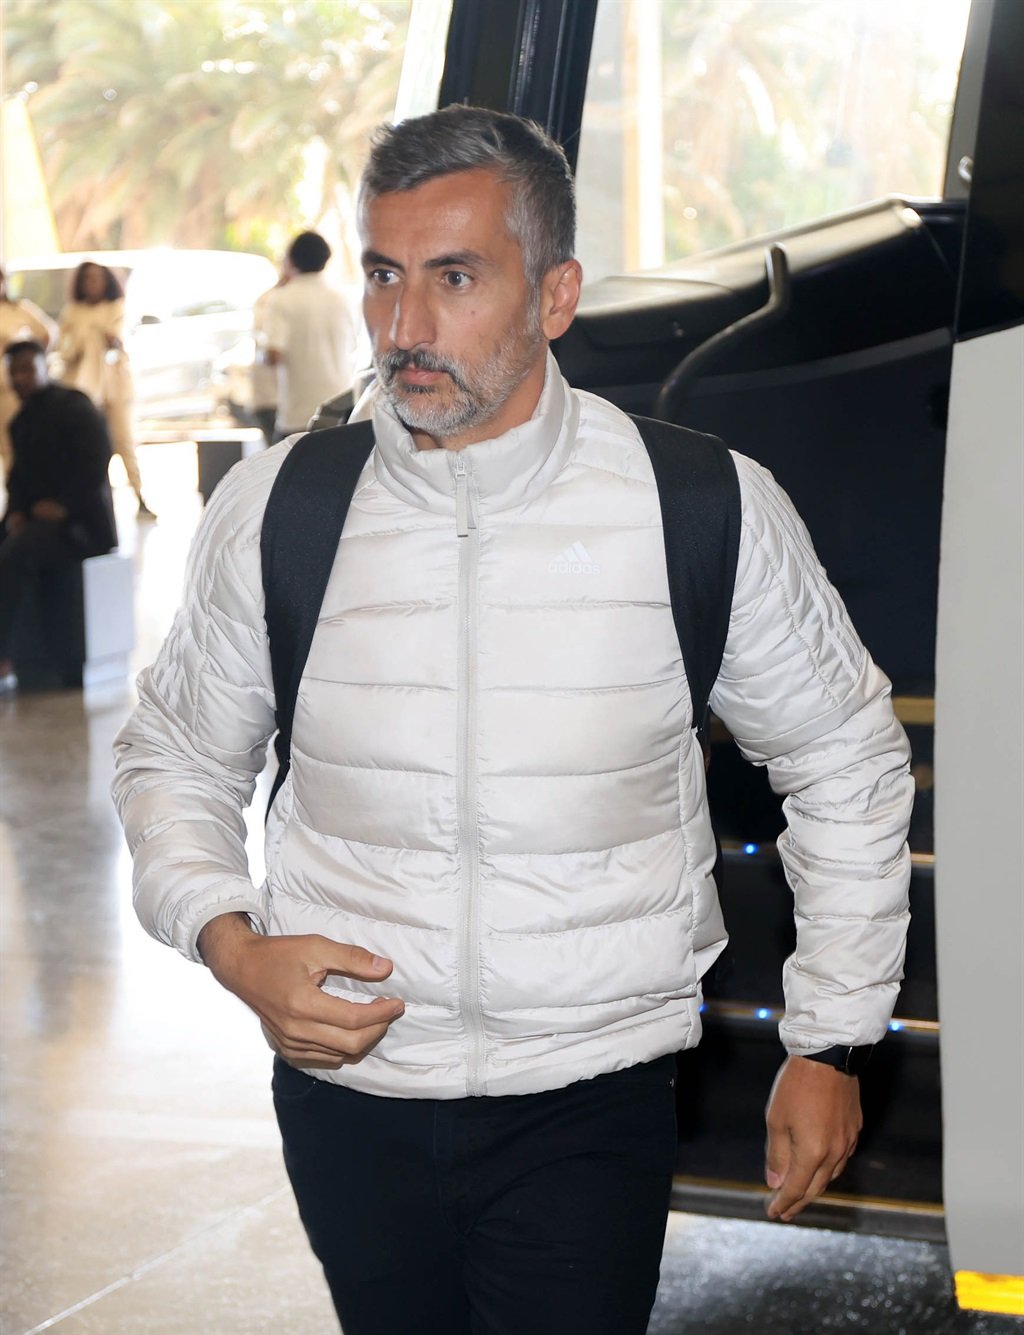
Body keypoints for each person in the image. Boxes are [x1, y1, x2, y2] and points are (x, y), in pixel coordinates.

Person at [111, 107, 914, 1335]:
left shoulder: (699, 505)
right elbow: (173, 752)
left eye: (455, 278)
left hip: (588, 1099)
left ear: (553, 296)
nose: (404, 328)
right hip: (347, 1094)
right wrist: (231, 943)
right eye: (384, 274)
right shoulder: (283, 504)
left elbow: (846, 759)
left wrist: (831, 1039)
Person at [0, 341, 117, 693]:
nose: (20, 378)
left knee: (14, 555)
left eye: (26, 369)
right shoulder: (21, 421)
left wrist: (63, 506)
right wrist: (17, 512)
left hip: (81, 525)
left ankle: (3, 654)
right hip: (41, 522)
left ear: (43, 368)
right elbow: (18, 477)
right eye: (14, 372)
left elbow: (96, 461)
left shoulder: (74, 407)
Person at [58, 260, 155, 518]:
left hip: (115, 387)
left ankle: (139, 496)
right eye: (87, 278)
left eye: (97, 278)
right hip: (81, 389)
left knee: (123, 441)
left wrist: (102, 335)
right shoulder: (72, 313)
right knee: (84, 447)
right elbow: (64, 348)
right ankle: (85, 502)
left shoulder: (116, 308)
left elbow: (118, 340)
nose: (92, 284)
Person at [260, 230, 357, 439]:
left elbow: (273, 355)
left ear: (291, 260)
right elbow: (353, 346)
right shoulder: (340, 299)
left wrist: (261, 351)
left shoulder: (282, 299)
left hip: (298, 414)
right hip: (340, 410)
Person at [0, 264, 56, 477]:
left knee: (12, 444)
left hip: (9, 388)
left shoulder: (18, 309)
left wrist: (31, 363)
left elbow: (47, 333)